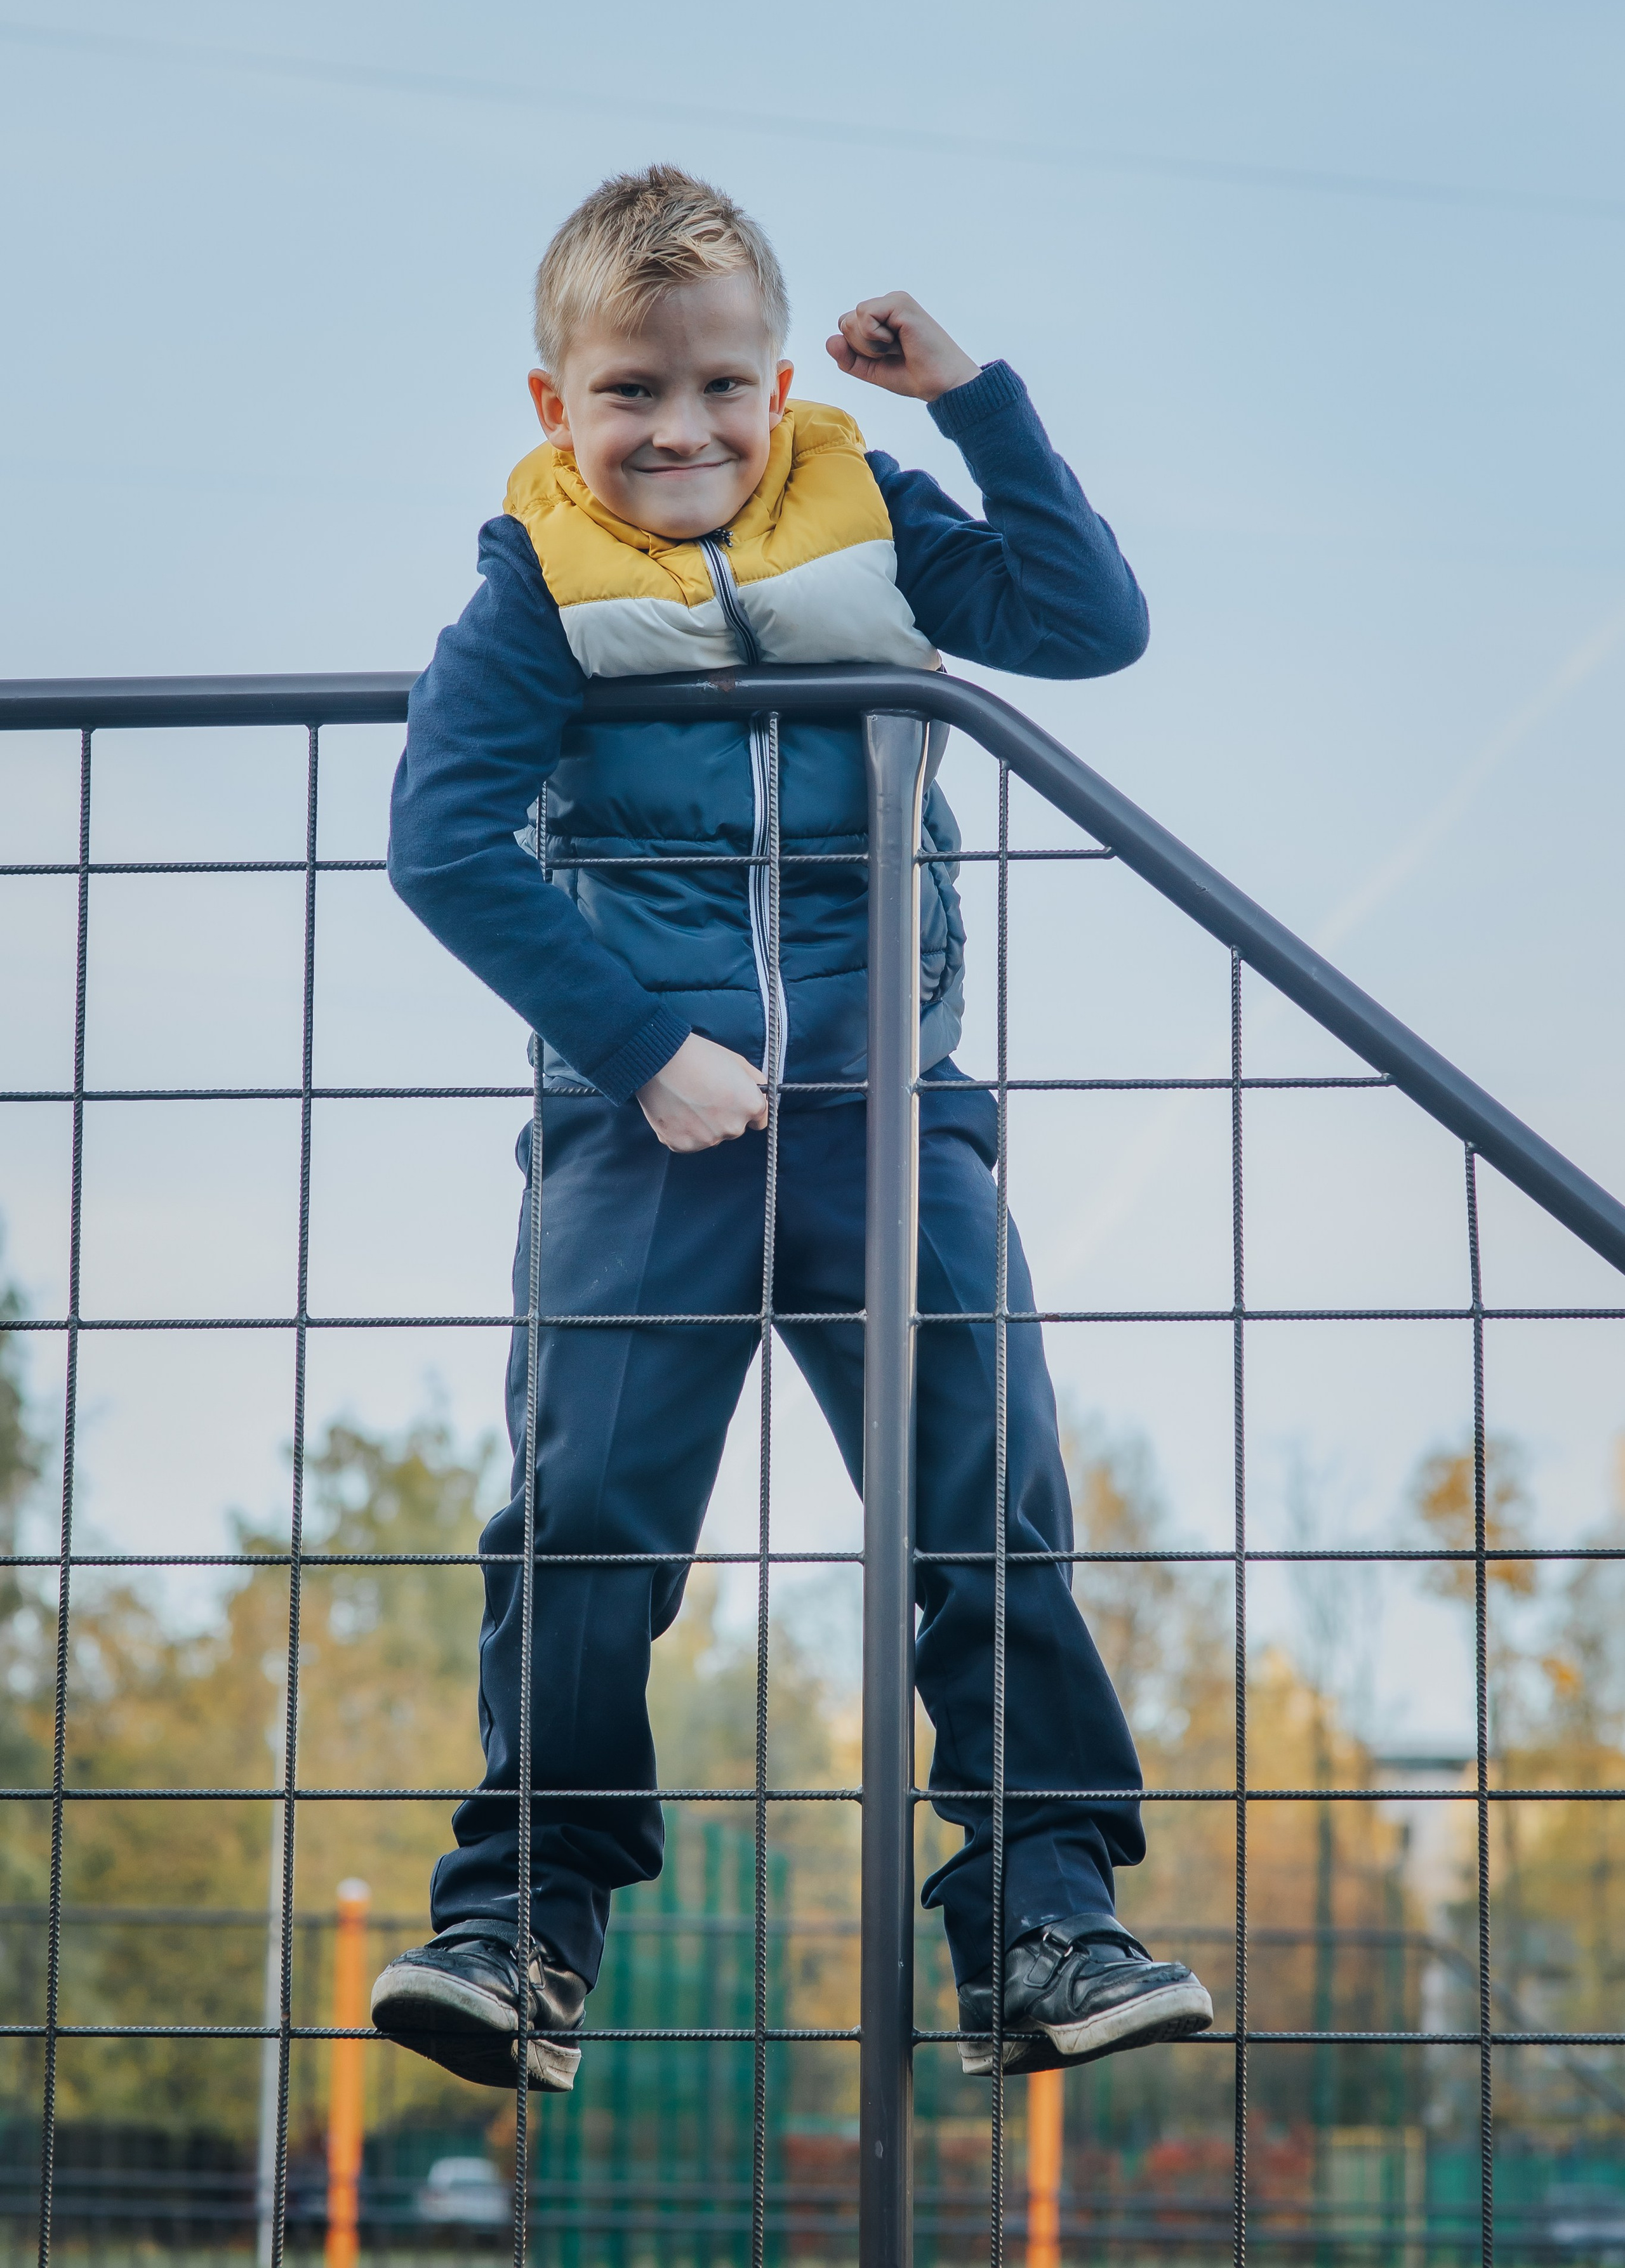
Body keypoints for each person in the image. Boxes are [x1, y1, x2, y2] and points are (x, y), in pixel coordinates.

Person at [373, 164, 1212, 2094]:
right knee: (583, 1520)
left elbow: (1090, 624)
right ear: (556, 406)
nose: (682, 431)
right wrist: (638, 1048)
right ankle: (523, 1922)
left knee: (988, 1497)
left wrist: (974, 402)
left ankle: (1043, 1917)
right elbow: (442, 844)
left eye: (723, 388)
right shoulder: (536, 582)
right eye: (631, 393)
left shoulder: (875, 516)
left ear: (779, 387)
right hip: (642, 1133)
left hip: (887, 1116)